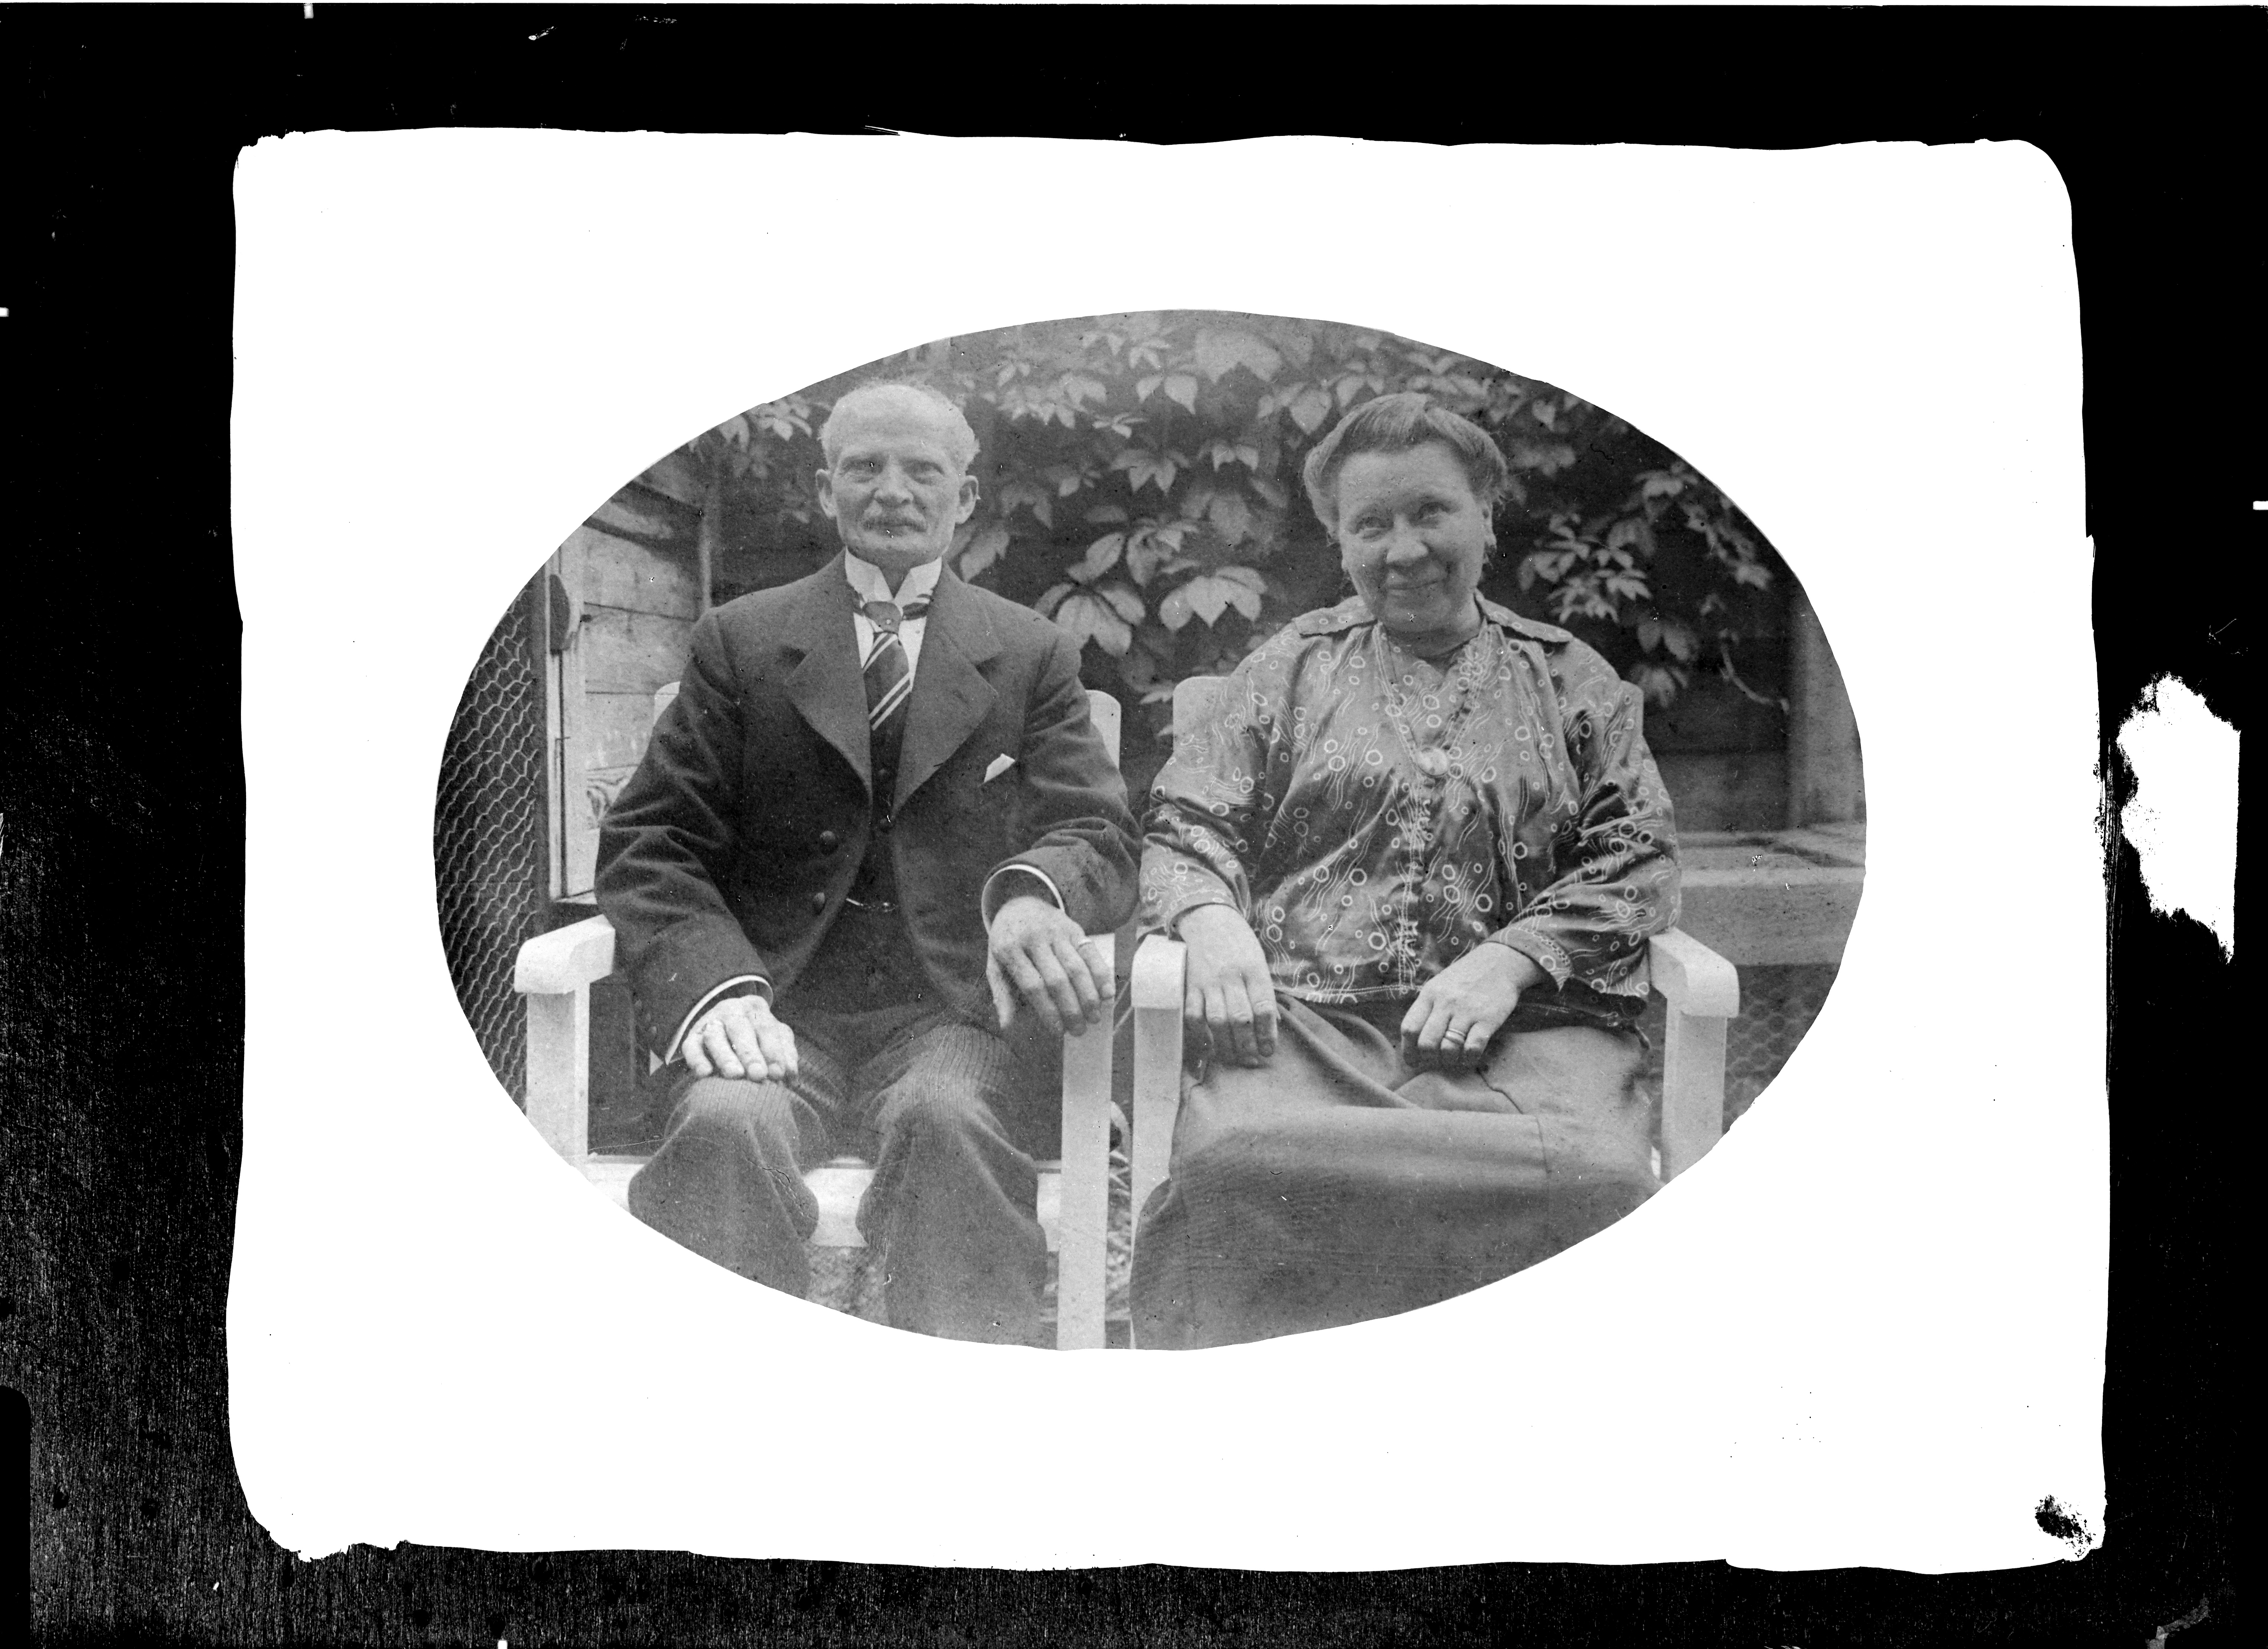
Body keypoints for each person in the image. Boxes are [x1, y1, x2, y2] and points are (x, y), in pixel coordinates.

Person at [1131, 392, 1682, 1349]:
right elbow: (1187, 820)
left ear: (1487, 517)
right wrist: (1211, 923)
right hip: (1310, 1035)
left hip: (1530, 1037)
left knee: (1597, 1179)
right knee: (1237, 1164)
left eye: (1432, 512)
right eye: (1371, 524)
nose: (1404, 549)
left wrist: (1508, 962)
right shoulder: (1288, 671)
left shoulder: (1571, 681)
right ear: (1340, 543)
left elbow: (1638, 854)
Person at [596, 380, 1139, 1346]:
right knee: (722, 1124)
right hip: (777, 1006)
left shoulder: (1030, 653)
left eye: (922, 470)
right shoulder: (742, 642)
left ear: (964, 499)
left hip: (951, 1016)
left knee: (951, 1125)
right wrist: (717, 988)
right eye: (865, 467)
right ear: (826, 489)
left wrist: (1030, 896)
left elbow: (1096, 830)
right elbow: (652, 840)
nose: (892, 490)